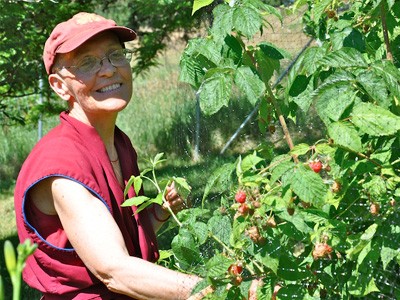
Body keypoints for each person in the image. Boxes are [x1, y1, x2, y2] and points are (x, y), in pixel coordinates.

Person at [14, 12, 210, 300]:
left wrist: (158, 214)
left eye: (115, 55)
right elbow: (114, 270)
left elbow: (117, 239)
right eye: (87, 62)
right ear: (59, 85)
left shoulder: (119, 143)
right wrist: (213, 290)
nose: (108, 70)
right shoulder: (62, 163)